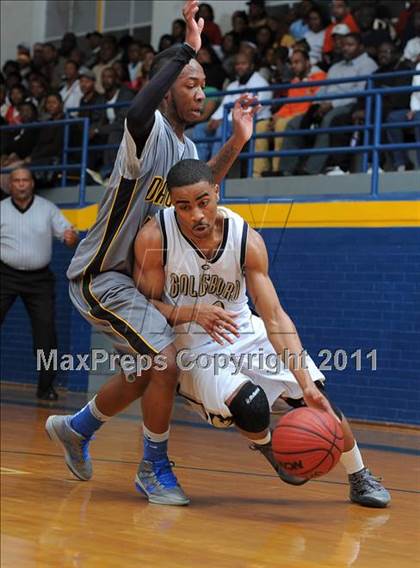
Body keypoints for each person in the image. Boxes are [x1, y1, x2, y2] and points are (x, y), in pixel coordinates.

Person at [45, 0, 260, 507]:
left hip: (138, 281)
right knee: (166, 360)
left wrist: (236, 141)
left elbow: (200, 189)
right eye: (190, 83)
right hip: (101, 275)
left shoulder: (187, 151)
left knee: (147, 371)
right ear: (167, 89)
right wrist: (186, 47)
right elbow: (136, 111)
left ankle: (76, 428)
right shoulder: (146, 133)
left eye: (203, 85)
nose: (201, 93)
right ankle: (152, 468)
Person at [132, 158, 391, 508]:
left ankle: (359, 476)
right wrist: (192, 312)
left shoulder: (246, 240)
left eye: (203, 202)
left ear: (216, 192)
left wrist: (305, 382)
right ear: (172, 205)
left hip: (244, 329)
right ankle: (270, 447)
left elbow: (274, 316)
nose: (196, 215)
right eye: (184, 206)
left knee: (317, 398)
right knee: (250, 406)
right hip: (192, 342)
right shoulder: (155, 237)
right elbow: (144, 306)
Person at [0, 168, 79, 399]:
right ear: (10, 185)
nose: (21, 184)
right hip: (5, 276)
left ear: (32, 183)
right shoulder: (1, 209)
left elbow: (69, 235)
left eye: (25, 180)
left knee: (46, 334)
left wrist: (71, 238)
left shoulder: (48, 208)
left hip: (39, 279)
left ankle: (46, 388)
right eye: (17, 181)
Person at [280, 33, 377, 176]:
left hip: (349, 105)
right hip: (326, 104)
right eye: (343, 45)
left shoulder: (368, 65)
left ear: (361, 47)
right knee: (293, 124)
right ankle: (286, 170)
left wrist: (332, 104)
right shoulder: (335, 67)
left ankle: (311, 169)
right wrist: (317, 104)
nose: (345, 48)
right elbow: (323, 88)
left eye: (350, 45)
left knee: (328, 120)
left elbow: (360, 92)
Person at [191, 51, 272, 176]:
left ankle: (213, 172)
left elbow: (253, 110)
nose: (240, 67)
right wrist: (214, 119)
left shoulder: (260, 83)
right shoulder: (232, 85)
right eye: (237, 64)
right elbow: (224, 106)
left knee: (222, 129)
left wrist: (222, 120)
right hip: (228, 120)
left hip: (250, 122)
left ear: (251, 65)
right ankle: (199, 171)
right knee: (200, 129)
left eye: (243, 64)